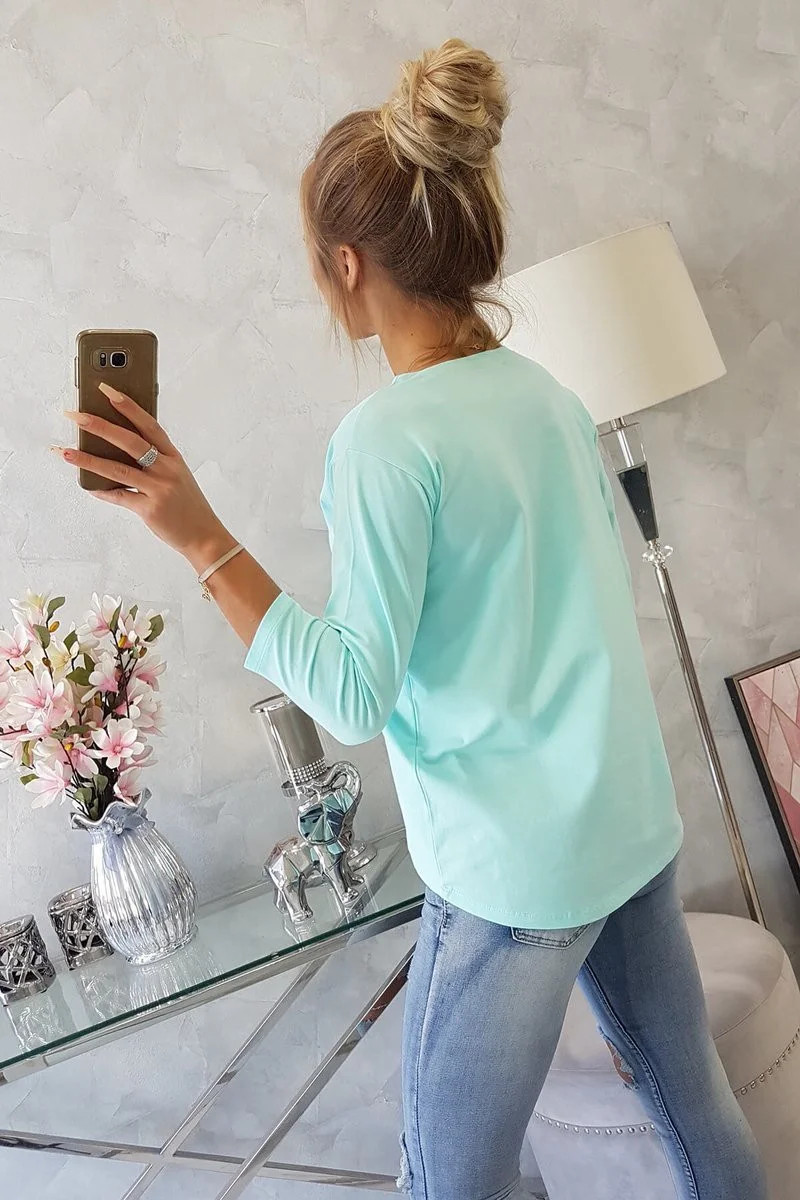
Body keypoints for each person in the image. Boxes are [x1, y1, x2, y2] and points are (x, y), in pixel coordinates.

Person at [54, 38, 767, 1200]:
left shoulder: (387, 441)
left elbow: (351, 694)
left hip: (512, 882)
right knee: (693, 1109)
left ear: (345, 264)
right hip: (627, 830)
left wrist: (198, 537)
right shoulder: (545, 395)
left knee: (446, 1182)